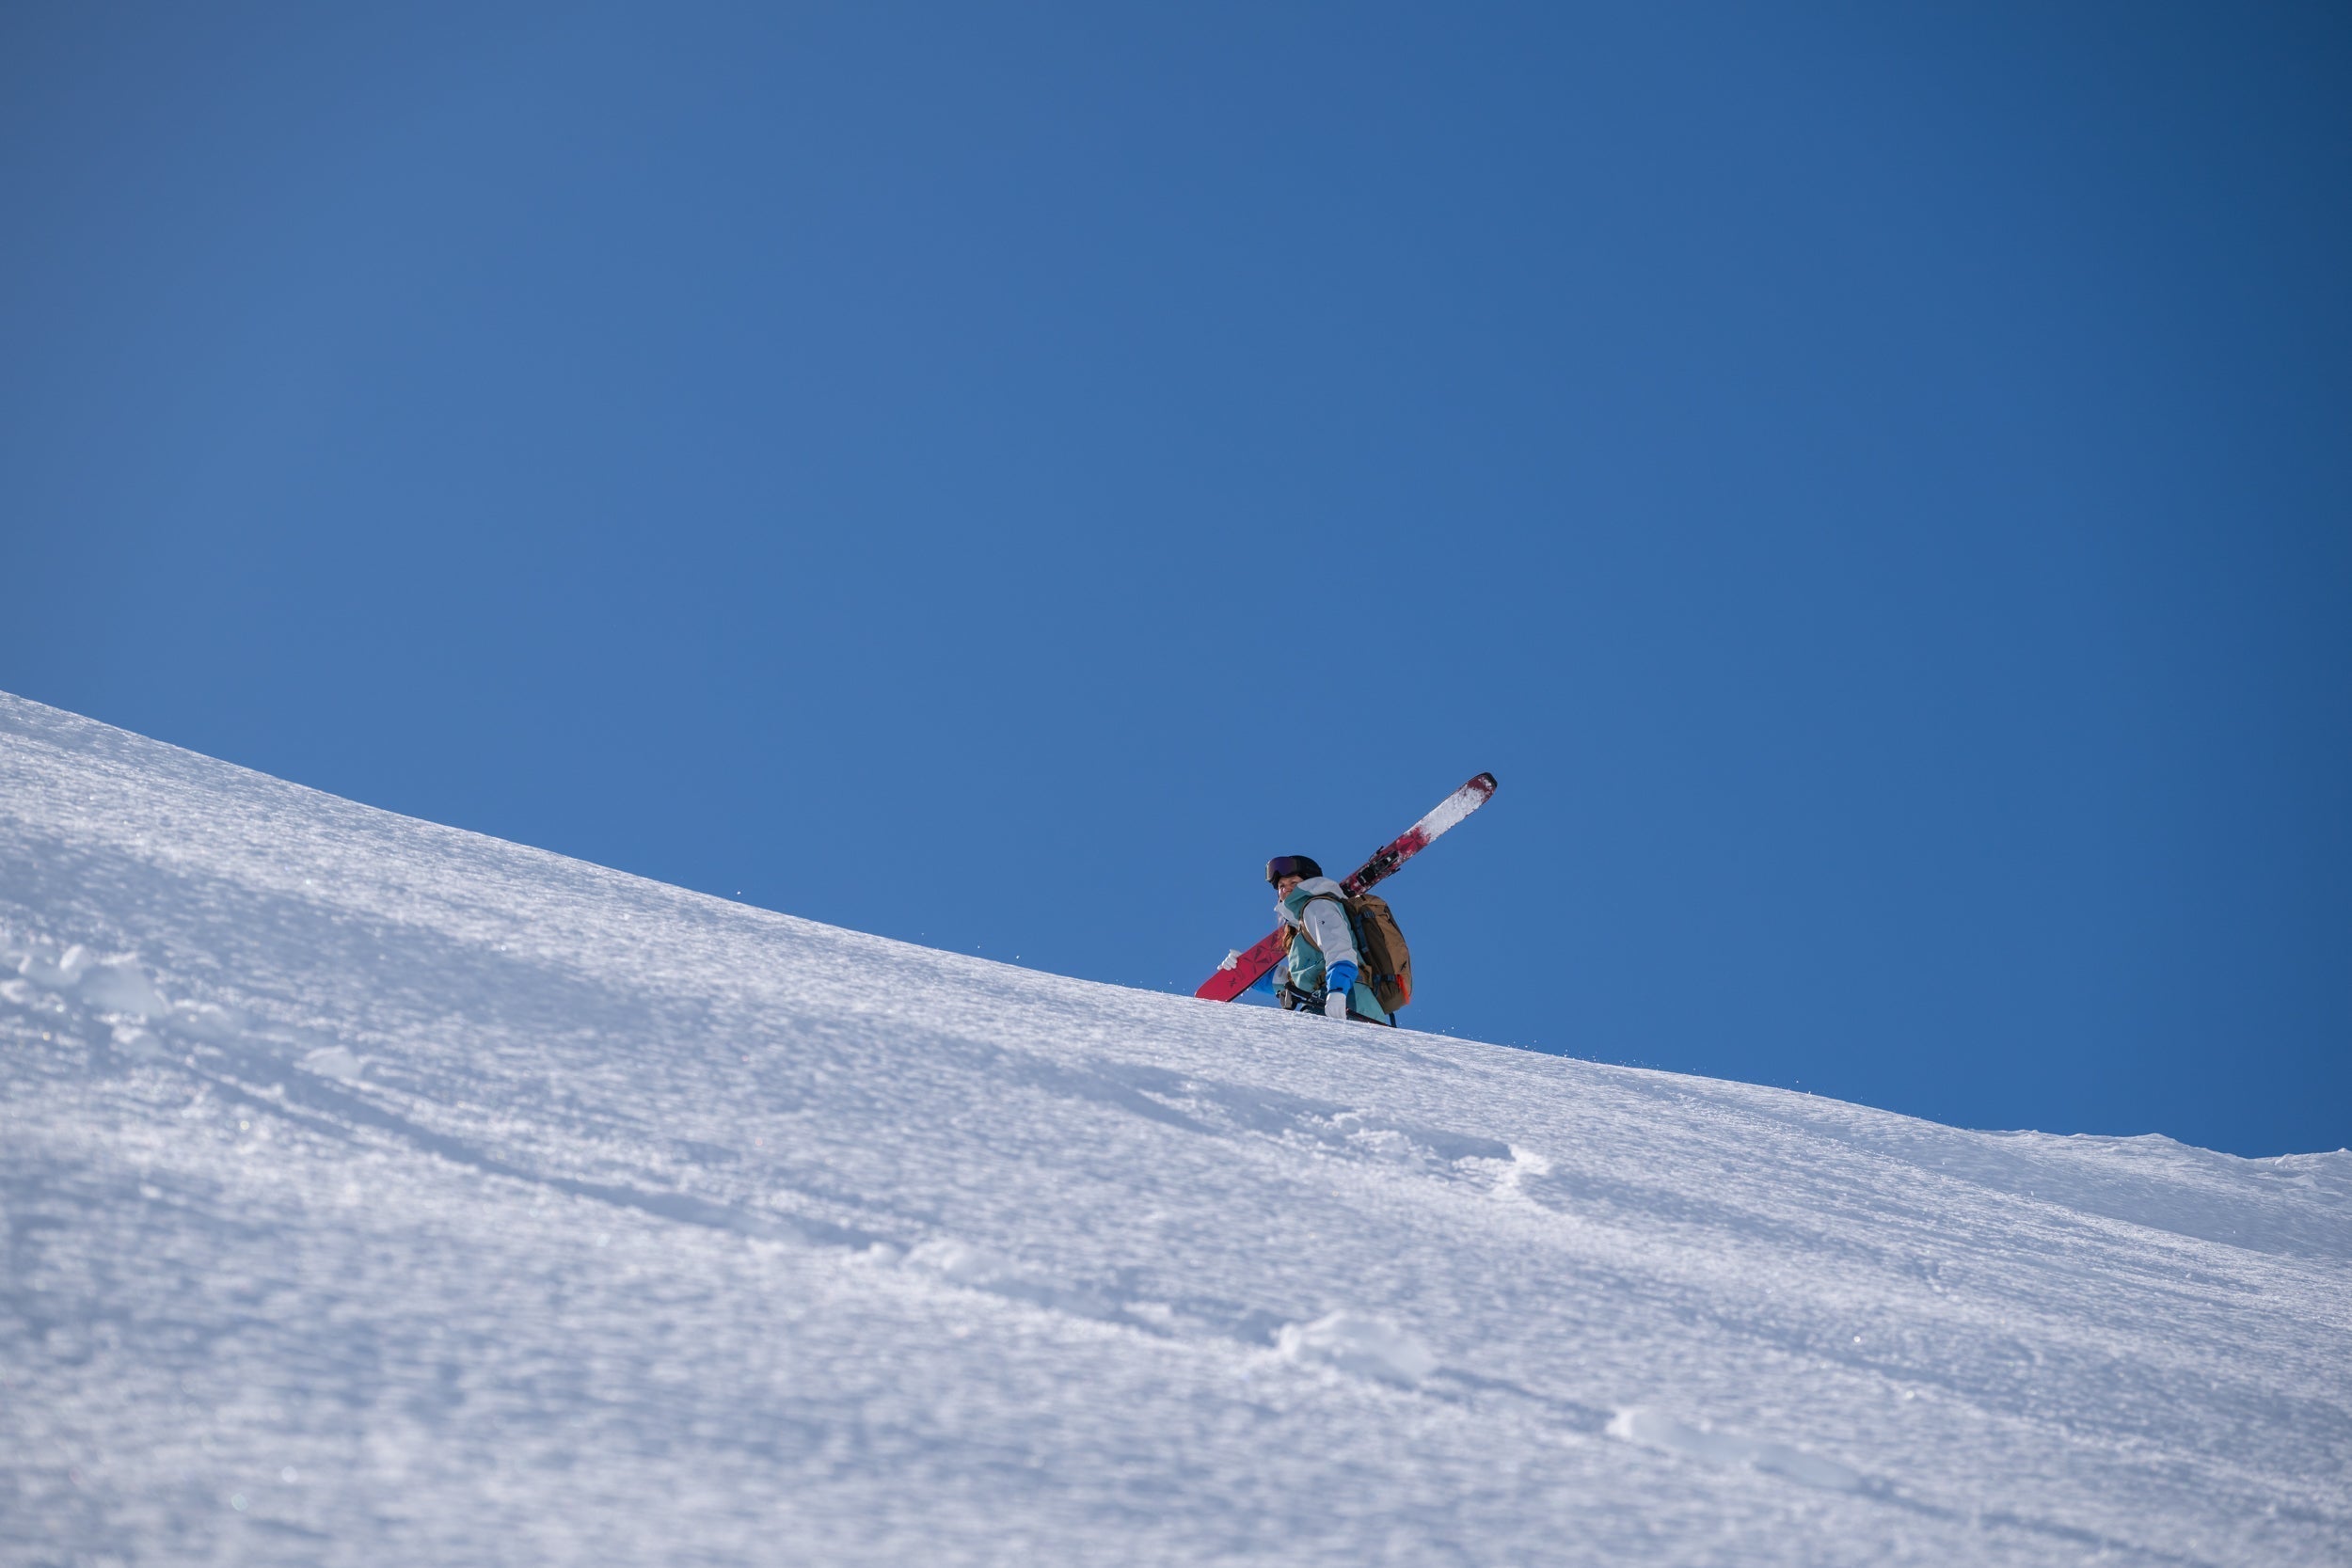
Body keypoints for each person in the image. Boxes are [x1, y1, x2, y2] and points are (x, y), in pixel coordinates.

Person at [1254, 855, 1391, 1023]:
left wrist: (1337, 992)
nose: (1285, 889)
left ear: (1308, 883)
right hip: (1330, 1002)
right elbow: (1298, 981)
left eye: (1293, 883)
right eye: (1281, 885)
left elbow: (1339, 950)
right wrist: (1246, 972)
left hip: (1351, 1004)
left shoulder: (1317, 907)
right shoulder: (1300, 925)